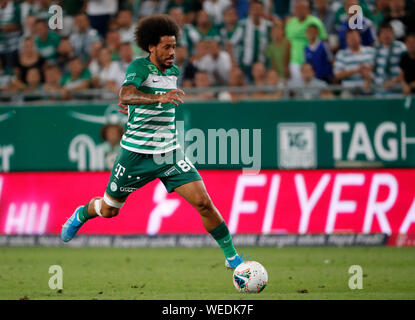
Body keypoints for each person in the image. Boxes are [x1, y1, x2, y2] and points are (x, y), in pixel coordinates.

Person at [61, 14, 245, 270]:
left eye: (174, 46)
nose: (172, 52)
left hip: (168, 153)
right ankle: (83, 212)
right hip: (134, 155)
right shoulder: (138, 67)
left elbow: (134, 98)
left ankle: (233, 257)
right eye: (167, 47)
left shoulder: (174, 70)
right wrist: (157, 98)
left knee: (204, 202)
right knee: (109, 210)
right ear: (151, 46)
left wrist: (139, 103)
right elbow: (126, 93)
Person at [285, 0, 327, 81]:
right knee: (297, 88)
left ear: (308, 9)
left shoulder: (316, 22)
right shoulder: (290, 23)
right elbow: (287, 44)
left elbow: (324, 41)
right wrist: (286, 64)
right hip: (294, 61)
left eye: (302, 8)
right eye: (297, 8)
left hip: (312, 62)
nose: (299, 10)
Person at [373, 22, 407, 92]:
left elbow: (407, 68)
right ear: (379, 36)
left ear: (393, 34)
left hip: (397, 86)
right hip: (379, 86)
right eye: (383, 33)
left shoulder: (401, 47)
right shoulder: (375, 49)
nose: (386, 35)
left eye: (389, 32)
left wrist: (393, 82)